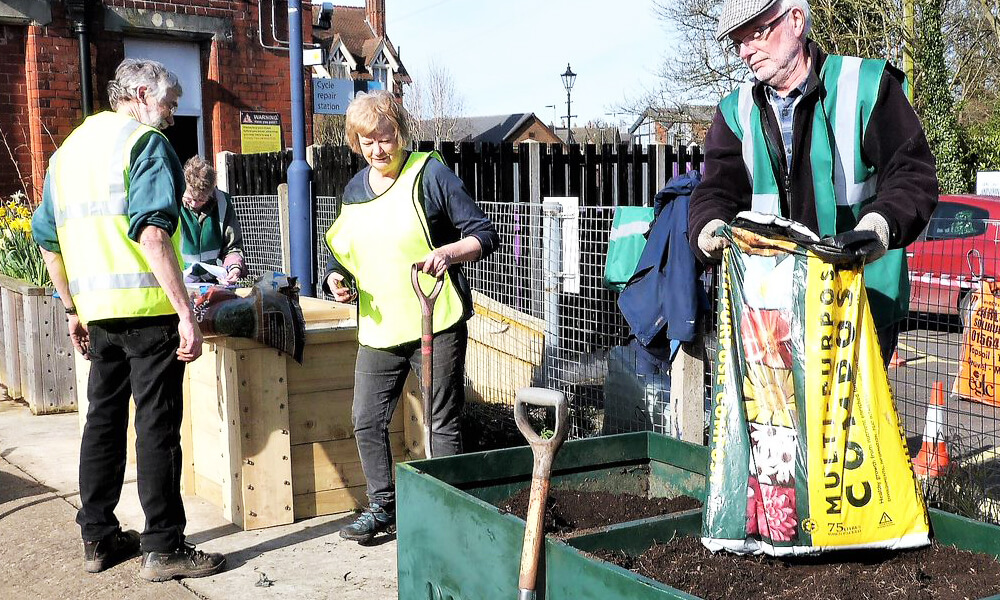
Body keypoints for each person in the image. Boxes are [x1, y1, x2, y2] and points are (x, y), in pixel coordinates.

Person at [31, 58, 226, 581]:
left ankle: (97, 537)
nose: (170, 115)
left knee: (103, 423)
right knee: (157, 428)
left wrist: (72, 306)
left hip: (100, 318)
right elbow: (153, 235)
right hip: (148, 314)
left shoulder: (68, 153)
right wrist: (187, 312)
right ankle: (164, 547)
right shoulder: (144, 143)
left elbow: (47, 238)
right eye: (167, 103)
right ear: (141, 93)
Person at [688, 0, 938, 365]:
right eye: (737, 41)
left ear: (796, 20)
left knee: (852, 422)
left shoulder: (866, 86)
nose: (744, 51)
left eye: (755, 33)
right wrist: (707, 227)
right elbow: (715, 191)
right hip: (771, 309)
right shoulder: (735, 112)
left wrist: (879, 226)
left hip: (859, 299)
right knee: (778, 422)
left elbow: (912, 175)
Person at [323, 90, 499, 543]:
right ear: (356, 144)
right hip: (380, 328)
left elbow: (482, 234)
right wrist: (335, 279)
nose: (378, 150)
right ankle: (383, 506)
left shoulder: (430, 174)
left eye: (385, 138)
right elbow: (344, 252)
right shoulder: (355, 190)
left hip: (434, 319)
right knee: (366, 418)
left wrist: (447, 253)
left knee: (440, 421)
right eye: (367, 143)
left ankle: (446, 511)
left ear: (400, 133)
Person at [180, 155, 247, 284]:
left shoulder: (223, 204)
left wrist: (234, 268)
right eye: (189, 199)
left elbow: (232, 246)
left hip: (211, 281)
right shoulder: (172, 203)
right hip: (179, 283)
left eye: (201, 200)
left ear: (211, 194)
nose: (194, 204)